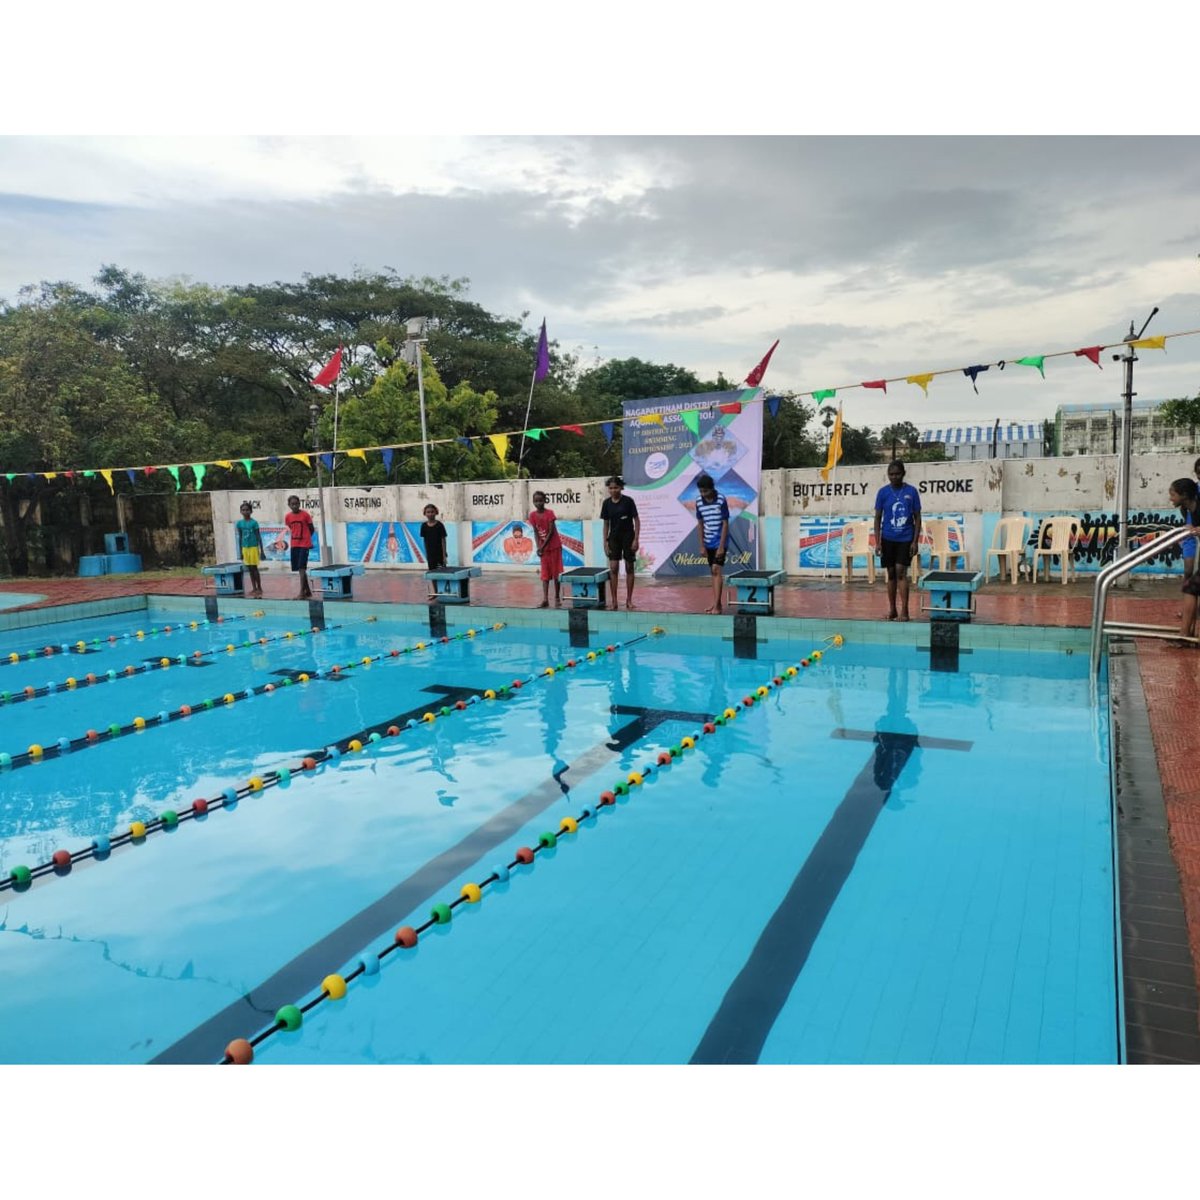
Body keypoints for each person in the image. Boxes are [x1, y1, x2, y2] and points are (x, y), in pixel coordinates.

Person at [873, 460, 922, 622]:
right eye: (891, 474)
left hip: (905, 538)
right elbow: (878, 517)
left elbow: (917, 517)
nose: (894, 477)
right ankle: (892, 609)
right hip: (887, 539)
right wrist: (878, 541)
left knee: (901, 572)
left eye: (897, 474)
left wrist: (915, 541)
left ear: (903, 474)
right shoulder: (882, 493)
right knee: (891, 573)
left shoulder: (912, 492)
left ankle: (905, 611)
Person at [600, 475, 640, 610]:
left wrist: (636, 539)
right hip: (614, 538)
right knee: (613, 568)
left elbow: (637, 520)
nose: (613, 490)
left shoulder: (628, 501)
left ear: (621, 487)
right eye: (610, 488)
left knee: (629, 567)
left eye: (616, 487)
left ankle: (629, 600)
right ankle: (614, 601)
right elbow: (606, 524)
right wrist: (605, 542)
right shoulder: (606, 503)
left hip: (628, 537)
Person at [694, 472, 729, 614]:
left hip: (720, 541)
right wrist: (701, 545)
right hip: (708, 542)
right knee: (713, 573)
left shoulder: (721, 499)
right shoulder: (698, 502)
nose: (704, 494)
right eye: (701, 491)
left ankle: (717, 606)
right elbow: (700, 524)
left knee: (716, 569)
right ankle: (717, 604)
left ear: (712, 488)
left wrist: (721, 546)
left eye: (706, 491)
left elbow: (725, 524)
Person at [1169, 477, 1199, 644]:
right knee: (1190, 587)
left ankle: (1184, 635)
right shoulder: (1187, 510)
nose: (1171, 498)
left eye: (1173, 494)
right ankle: (1185, 634)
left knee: (1191, 587)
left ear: (1184, 495)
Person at [528, 490, 564, 608]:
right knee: (545, 574)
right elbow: (535, 532)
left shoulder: (550, 513)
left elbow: (551, 531)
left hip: (554, 547)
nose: (538, 503)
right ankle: (545, 599)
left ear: (545, 501)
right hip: (544, 549)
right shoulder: (532, 515)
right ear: (533, 502)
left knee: (556, 573)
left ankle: (557, 597)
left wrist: (542, 547)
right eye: (536, 501)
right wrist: (538, 547)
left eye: (540, 500)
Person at [283, 494, 315, 600]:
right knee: (300, 569)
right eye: (292, 504)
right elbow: (291, 527)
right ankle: (308, 591)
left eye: (296, 504)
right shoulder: (288, 517)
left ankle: (301, 593)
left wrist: (307, 539)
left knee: (302, 568)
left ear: (299, 504)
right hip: (294, 544)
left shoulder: (305, 515)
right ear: (289, 505)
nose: (295, 506)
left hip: (304, 544)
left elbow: (311, 528)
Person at [235, 502, 264, 598]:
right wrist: (240, 551)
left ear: (251, 511)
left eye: (247, 510)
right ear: (240, 512)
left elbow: (258, 536)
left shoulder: (254, 523)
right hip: (245, 548)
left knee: (254, 568)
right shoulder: (239, 524)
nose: (245, 511)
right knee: (250, 569)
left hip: (253, 547)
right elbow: (240, 537)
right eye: (243, 510)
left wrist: (262, 551)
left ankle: (259, 588)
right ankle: (254, 588)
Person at [419, 504, 448, 600]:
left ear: (436, 512)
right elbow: (425, 541)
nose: (430, 514)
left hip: (439, 554)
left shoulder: (439, 525)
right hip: (430, 555)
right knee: (432, 574)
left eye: (432, 511)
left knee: (442, 574)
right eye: (428, 512)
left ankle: (444, 592)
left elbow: (443, 540)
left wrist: (444, 555)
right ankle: (435, 593)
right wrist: (426, 553)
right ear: (425, 514)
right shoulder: (423, 526)